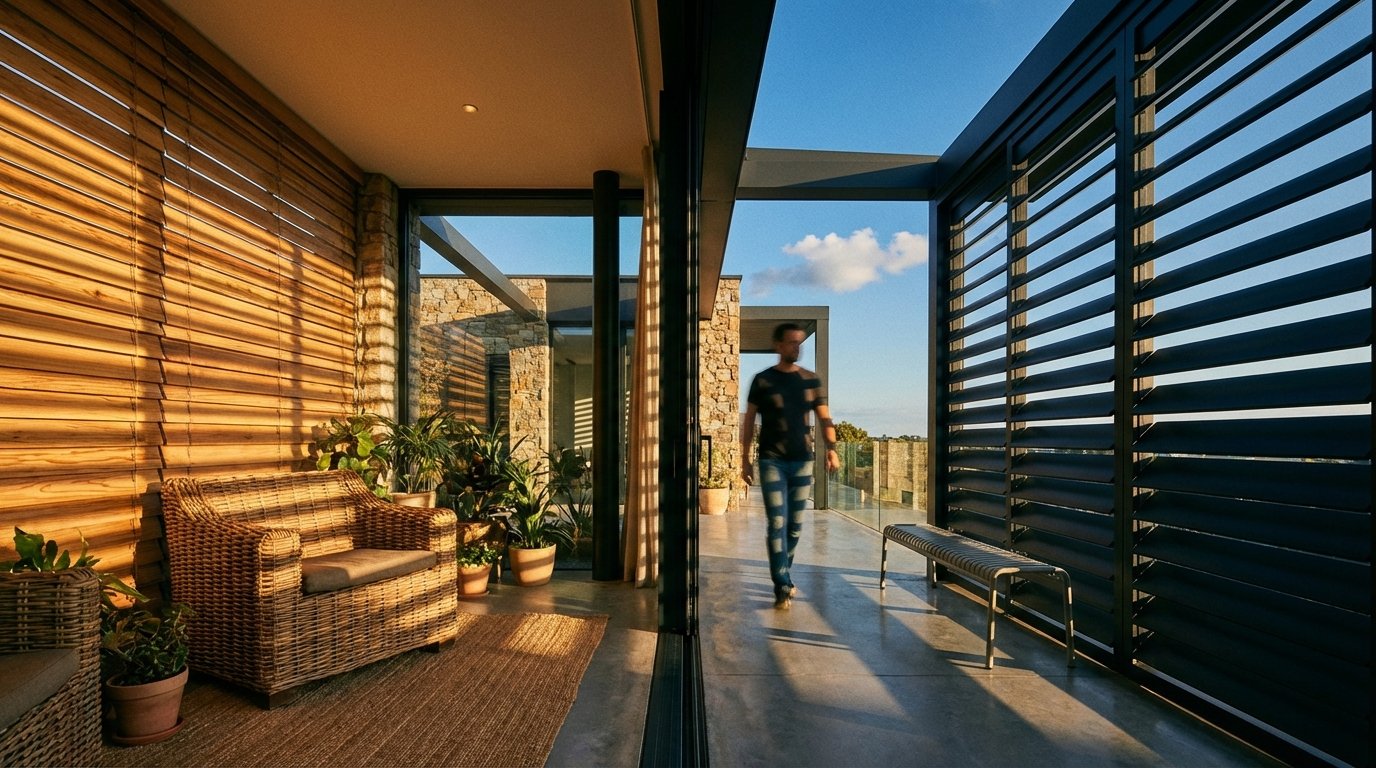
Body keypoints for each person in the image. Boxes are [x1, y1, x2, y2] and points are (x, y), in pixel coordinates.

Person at [739, 322, 840, 610]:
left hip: (802, 461)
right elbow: (749, 421)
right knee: (777, 523)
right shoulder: (762, 380)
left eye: (800, 343)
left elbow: (824, 418)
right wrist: (744, 458)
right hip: (771, 459)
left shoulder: (810, 380)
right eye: (792, 342)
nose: (797, 347)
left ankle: (784, 571)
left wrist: (831, 449)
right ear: (778, 345)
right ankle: (782, 582)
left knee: (795, 526)